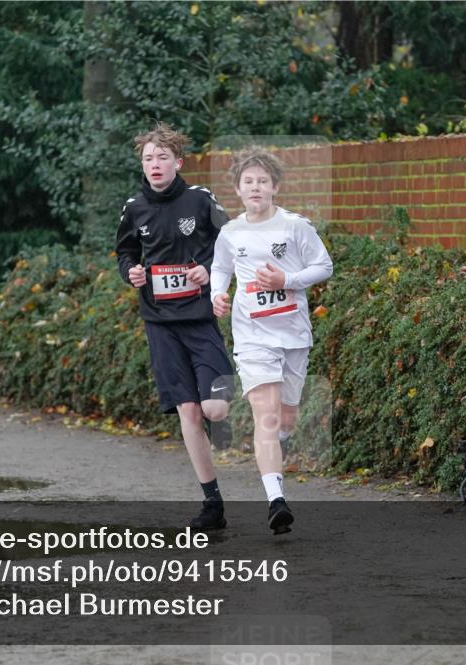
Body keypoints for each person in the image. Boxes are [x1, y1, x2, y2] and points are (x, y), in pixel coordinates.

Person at [115, 123, 235, 530]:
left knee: (213, 408)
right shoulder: (134, 207)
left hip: (199, 318)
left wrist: (206, 271)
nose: (155, 165)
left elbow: (232, 242)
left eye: (162, 157)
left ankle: (220, 418)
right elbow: (126, 251)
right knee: (187, 410)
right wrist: (130, 271)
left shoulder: (200, 200)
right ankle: (212, 505)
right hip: (160, 322)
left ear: (177, 162)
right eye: (148, 159)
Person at [210, 147, 333, 534]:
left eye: (263, 181)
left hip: (293, 333)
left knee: (286, 417)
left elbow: (324, 265)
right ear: (238, 189)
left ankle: (274, 447)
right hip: (252, 337)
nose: (256, 187)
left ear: (275, 186)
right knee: (266, 414)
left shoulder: (296, 227)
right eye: (249, 181)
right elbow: (220, 268)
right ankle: (275, 500)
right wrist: (217, 294)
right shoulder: (230, 233)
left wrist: (287, 281)